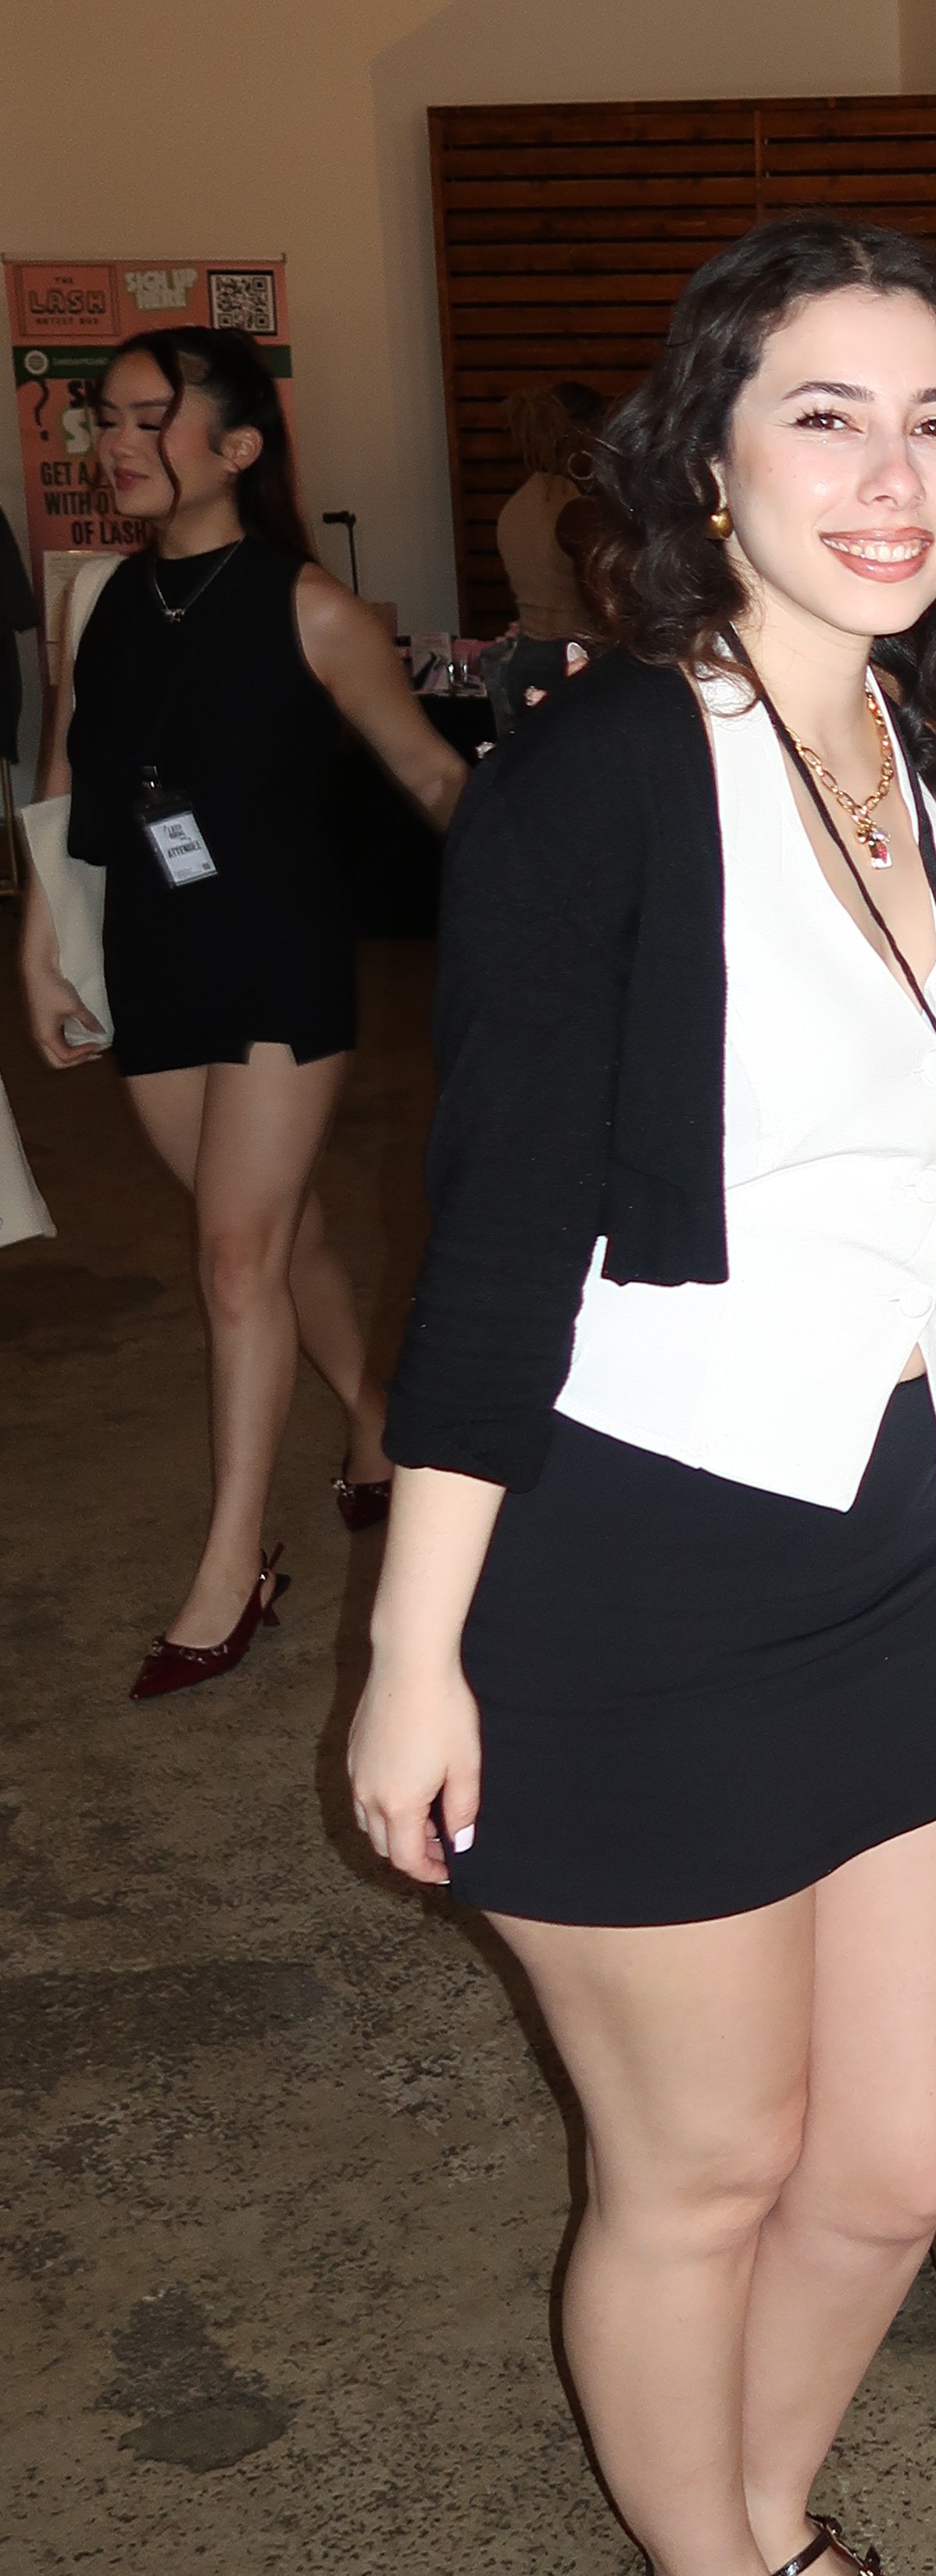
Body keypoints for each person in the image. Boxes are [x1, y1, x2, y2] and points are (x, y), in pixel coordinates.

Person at [348, 217, 936, 2576]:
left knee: (889, 2158)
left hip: (881, 1527)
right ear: (706, 458)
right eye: (826, 415)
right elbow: (501, 1221)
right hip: (623, 1563)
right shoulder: (612, 760)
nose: (892, 475)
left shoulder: (917, 736)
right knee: (703, 2169)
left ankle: (711, 2558)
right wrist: (417, 1653)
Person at [17, 330, 466, 1696]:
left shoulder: (315, 606)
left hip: (277, 960)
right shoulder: (92, 597)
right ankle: (376, 1425)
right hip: (153, 957)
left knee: (231, 1257)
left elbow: (431, 777)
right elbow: (65, 789)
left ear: (238, 444)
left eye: (151, 415)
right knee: (280, 1233)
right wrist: (41, 950)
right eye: (106, 416)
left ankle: (234, 1564)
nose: (118, 439)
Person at [486, 378, 606, 740]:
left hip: (526, 658)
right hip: (572, 661)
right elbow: (604, 605)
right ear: (583, 435)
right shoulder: (576, 510)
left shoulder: (515, 506)